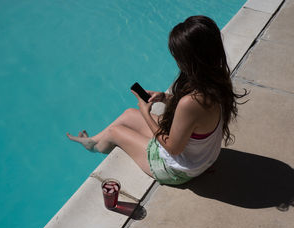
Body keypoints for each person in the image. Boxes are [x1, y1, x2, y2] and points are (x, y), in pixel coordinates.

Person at [66, 15, 247, 185]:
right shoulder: (217, 78)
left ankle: (95, 147)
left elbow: (173, 148)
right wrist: (165, 98)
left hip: (178, 170)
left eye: (178, 57)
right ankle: (93, 140)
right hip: (201, 156)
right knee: (128, 114)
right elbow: (197, 115)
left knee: (115, 131)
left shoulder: (191, 102)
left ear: (190, 59)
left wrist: (146, 114)